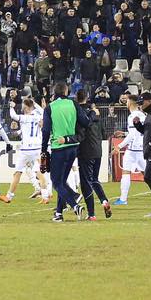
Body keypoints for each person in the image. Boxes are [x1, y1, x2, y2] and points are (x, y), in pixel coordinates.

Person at [41, 82, 85, 222]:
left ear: (55, 92)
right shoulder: (73, 104)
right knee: (61, 181)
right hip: (73, 147)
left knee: (56, 182)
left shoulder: (50, 107)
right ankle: (59, 214)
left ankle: (74, 203)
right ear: (66, 92)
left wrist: (43, 149)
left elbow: (46, 130)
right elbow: (85, 122)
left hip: (58, 148)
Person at [0, 97, 50, 204]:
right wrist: (35, 103)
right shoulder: (39, 116)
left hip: (26, 150)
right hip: (37, 148)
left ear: (27, 108)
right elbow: (43, 112)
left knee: (17, 173)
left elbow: (13, 116)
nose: (22, 109)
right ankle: (45, 196)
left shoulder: (24, 118)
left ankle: (9, 196)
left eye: (23, 107)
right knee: (39, 173)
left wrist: (11, 107)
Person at [72, 90, 111, 220]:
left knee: (86, 183)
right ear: (87, 98)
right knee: (94, 179)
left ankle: (91, 214)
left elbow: (77, 132)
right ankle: (104, 201)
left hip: (85, 151)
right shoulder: (95, 113)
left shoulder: (77, 113)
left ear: (76, 98)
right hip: (98, 150)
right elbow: (103, 132)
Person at [112, 94, 145, 206]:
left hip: (133, 150)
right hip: (140, 148)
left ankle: (123, 199)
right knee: (147, 174)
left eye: (127, 101)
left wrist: (119, 146)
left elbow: (132, 136)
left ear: (130, 103)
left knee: (127, 173)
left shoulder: (132, 117)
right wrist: (124, 133)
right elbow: (137, 132)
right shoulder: (142, 115)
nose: (126, 103)